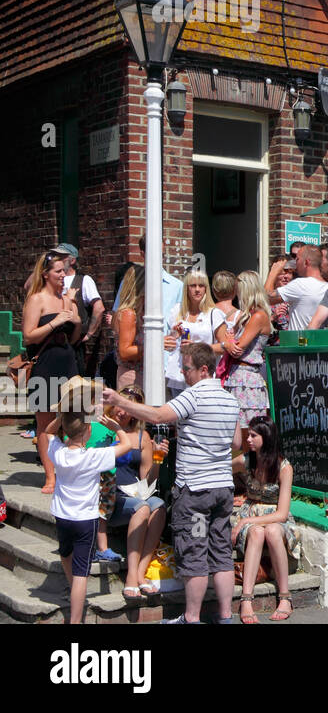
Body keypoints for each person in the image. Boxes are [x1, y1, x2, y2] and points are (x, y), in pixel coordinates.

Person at [105, 341, 242, 625]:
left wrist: (119, 401)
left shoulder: (193, 397)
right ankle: (226, 616)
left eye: (187, 369)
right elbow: (237, 442)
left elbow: (156, 416)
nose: (183, 374)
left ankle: (191, 618)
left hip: (196, 492)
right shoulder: (230, 399)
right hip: (222, 489)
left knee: (194, 552)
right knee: (220, 552)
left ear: (203, 369)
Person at [48, 407, 138, 623]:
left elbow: (47, 433)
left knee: (64, 553)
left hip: (62, 516)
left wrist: (60, 418)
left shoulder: (58, 451)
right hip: (85, 520)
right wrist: (116, 428)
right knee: (82, 574)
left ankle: (74, 592)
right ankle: (76, 619)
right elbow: (127, 445)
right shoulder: (94, 456)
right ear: (87, 431)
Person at [23, 250, 82, 492]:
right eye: (58, 271)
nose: (63, 275)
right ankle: (50, 477)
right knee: (46, 422)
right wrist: (54, 322)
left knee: (75, 417)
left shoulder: (66, 298)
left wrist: (75, 320)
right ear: (46, 274)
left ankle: (69, 473)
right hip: (45, 363)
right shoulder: (37, 299)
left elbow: (75, 337)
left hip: (68, 361)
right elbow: (28, 336)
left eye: (64, 270)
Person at [232, 417, 300, 623]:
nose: (249, 439)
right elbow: (221, 471)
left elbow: (281, 514)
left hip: (276, 519)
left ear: (267, 437)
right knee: (257, 531)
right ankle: (246, 599)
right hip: (249, 512)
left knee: (270, 530)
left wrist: (245, 522)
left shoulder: (283, 467)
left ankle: (285, 597)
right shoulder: (246, 460)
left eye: (254, 435)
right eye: (249, 435)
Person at [104, 385, 169, 598]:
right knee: (141, 508)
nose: (121, 412)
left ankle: (141, 571)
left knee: (158, 505)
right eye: (119, 405)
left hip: (134, 495)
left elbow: (147, 483)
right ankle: (132, 576)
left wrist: (158, 458)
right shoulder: (102, 428)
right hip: (109, 497)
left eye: (128, 408)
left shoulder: (142, 436)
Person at [216, 272, 273, 428]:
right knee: (233, 430)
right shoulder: (247, 316)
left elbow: (238, 348)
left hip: (246, 378)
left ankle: (246, 454)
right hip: (237, 376)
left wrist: (229, 341)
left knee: (247, 431)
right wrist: (230, 340)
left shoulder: (258, 316)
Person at [54, 244, 106, 376]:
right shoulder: (51, 279)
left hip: (74, 344)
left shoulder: (84, 280)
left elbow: (99, 308)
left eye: (61, 257)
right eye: (56, 256)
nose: (57, 259)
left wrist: (89, 334)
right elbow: (28, 286)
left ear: (72, 260)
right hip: (53, 342)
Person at [164, 270, 215, 398]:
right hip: (179, 374)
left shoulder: (213, 313)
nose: (197, 290)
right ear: (186, 288)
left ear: (206, 289)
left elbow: (224, 346)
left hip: (203, 374)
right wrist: (173, 336)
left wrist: (197, 347)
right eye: (193, 286)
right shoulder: (177, 311)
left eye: (201, 286)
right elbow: (170, 346)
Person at [265, 245, 328, 332]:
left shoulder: (300, 285)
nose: (295, 263)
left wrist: (273, 272)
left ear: (306, 262)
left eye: (298, 259)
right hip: (319, 341)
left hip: (298, 342)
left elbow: (267, 298)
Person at [113, 264, 145, 389]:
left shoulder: (139, 312)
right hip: (131, 377)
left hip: (139, 375)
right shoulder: (129, 314)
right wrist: (155, 346)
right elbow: (125, 352)